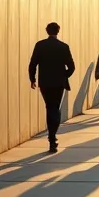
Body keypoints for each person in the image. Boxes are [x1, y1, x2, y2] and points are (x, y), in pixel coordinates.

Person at [28, 22, 76, 152]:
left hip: (45, 82)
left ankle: (52, 138)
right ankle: (52, 138)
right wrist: (63, 75)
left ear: (47, 30)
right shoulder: (63, 47)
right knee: (55, 108)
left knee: (49, 107)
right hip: (59, 83)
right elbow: (71, 67)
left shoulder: (40, 45)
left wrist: (32, 79)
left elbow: (32, 64)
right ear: (58, 31)